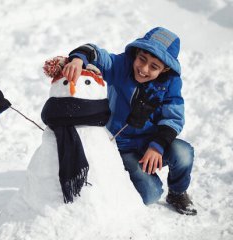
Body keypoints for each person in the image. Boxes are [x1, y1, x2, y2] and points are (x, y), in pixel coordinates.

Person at [62, 27, 197, 215]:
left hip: (151, 142)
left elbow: (174, 117)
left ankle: (176, 193)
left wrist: (157, 145)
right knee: (150, 194)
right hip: (121, 146)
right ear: (137, 53)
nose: (143, 69)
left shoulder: (171, 83)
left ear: (165, 69)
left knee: (183, 153)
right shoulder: (122, 66)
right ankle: (117, 178)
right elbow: (96, 54)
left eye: (154, 67)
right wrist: (78, 59)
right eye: (142, 59)